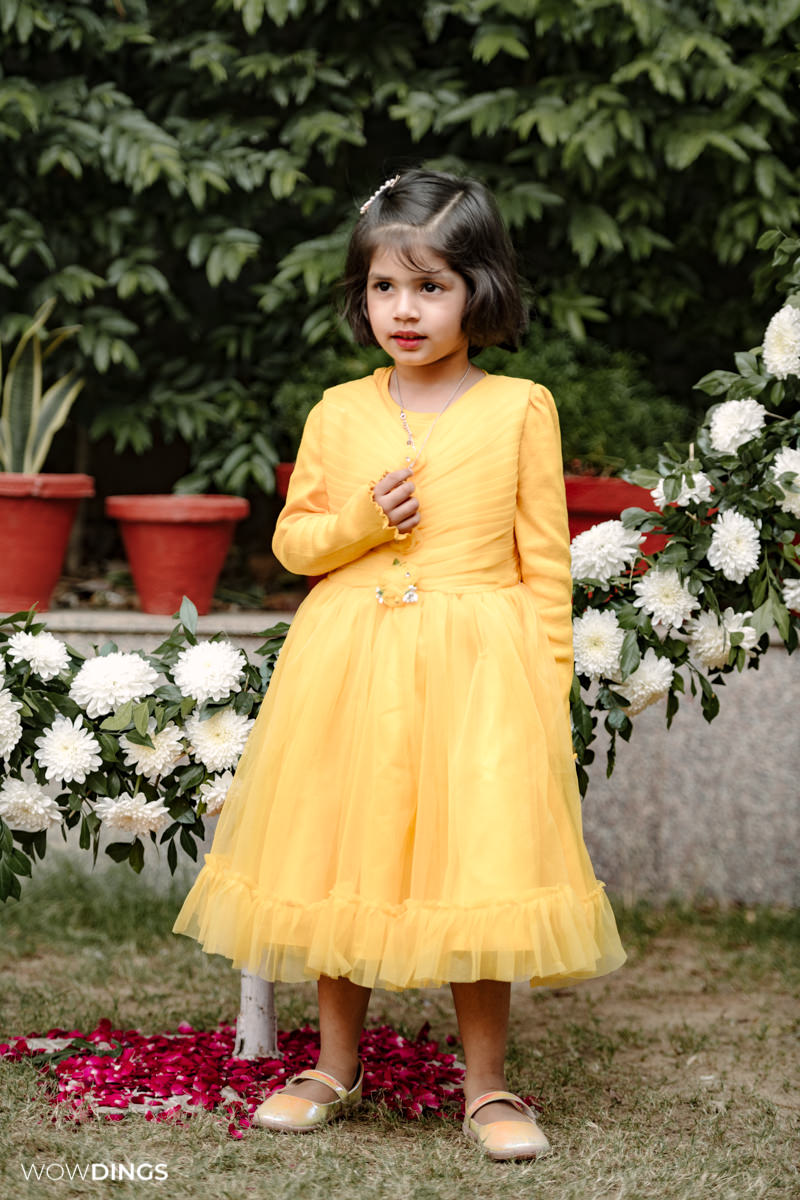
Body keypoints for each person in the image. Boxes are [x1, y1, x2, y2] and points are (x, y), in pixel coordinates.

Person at [172, 168, 626, 1161]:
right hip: (350, 664)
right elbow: (294, 543)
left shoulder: (520, 408)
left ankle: (487, 1085)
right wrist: (362, 520)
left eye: (431, 286)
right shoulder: (338, 411)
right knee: (345, 848)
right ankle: (335, 1063)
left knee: (478, 861)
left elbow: (545, 565)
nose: (405, 310)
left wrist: (544, 692)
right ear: (362, 294)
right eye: (385, 286)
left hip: (477, 672)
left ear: (478, 290)